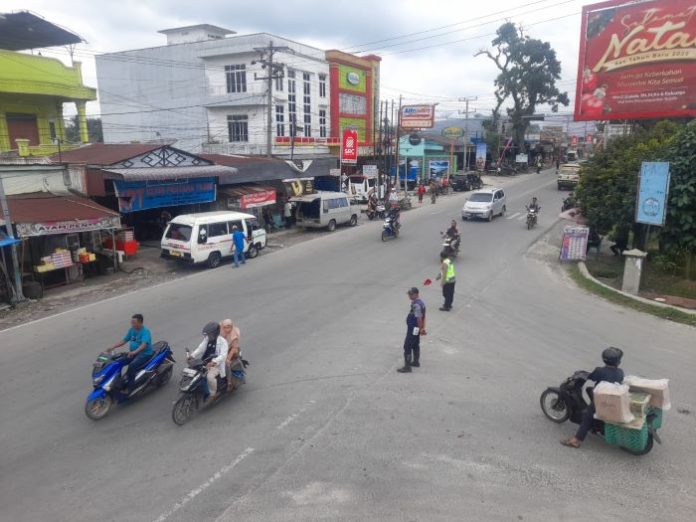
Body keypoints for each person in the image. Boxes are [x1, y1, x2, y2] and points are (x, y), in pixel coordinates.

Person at [561, 347, 625, 449]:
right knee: (590, 389)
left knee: (587, 416)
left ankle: (576, 440)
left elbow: (591, 377)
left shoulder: (599, 370)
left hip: (602, 400)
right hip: (614, 398)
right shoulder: (620, 372)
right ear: (618, 362)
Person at [106, 314, 153, 392]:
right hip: (133, 353)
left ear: (140, 322)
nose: (132, 324)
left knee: (132, 366)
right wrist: (113, 347)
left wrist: (134, 352)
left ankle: (131, 387)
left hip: (144, 354)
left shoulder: (145, 332)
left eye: (134, 323)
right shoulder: (132, 330)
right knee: (118, 362)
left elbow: (144, 345)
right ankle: (118, 382)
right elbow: (124, 340)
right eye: (131, 322)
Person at [190, 322, 228, 402]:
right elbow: (200, 348)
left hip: (216, 365)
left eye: (209, 335)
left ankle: (212, 394)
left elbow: (223, 355)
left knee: (209, 377)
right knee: (192, 371)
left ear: (215, 333)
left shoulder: (223, 342)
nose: (207, 336)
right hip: (204, 361)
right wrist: (192, 355)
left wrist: (214, 362)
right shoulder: (207, 339)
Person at [397, 287, 426, 373]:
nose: (409, 296)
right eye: (409, 294)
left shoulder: (417, 305)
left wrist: (421, 329)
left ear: (416, 294)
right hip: (416, 328)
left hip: (414, 328)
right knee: (415, 344)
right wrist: (421, 328)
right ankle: (416, 362)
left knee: (407, 346)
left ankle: (407, 367)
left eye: (411, 294)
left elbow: (419, 318)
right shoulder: (420, 303)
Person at [221, 318, 244, 391]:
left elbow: (234, 349)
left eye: (228, 327)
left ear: (231, 326)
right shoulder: (221, 329)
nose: (226, 329)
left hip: (231, 351)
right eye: (225, 327)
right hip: (223, 348)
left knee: (226, 364)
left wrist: (228, 359)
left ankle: (229, 382)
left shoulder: (234, 336)